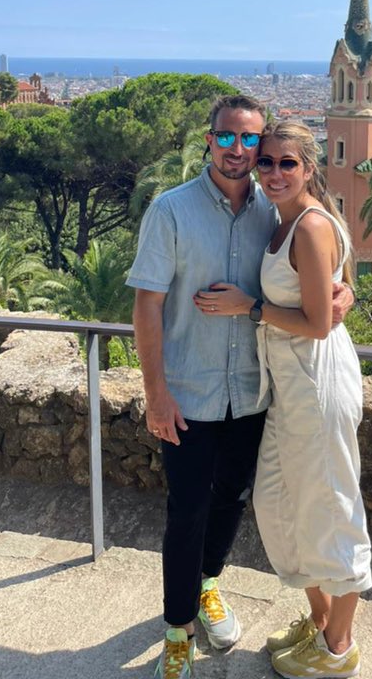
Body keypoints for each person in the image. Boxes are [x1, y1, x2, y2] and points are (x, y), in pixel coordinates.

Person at [127, 95, 353, 679]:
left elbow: (327, 258)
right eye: (227, 137)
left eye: (250, 141)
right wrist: (155, 393)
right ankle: (178, 629)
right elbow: (146, 306)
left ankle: (207, 587)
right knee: (187, 510)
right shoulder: (171, 210)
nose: (239, 150)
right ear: (210, 140)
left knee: (229, 501)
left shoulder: (275, 211)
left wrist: (344, 293)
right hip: (189, 391)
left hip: (255, 393)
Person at [195, 120, 371, 679]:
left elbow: (319, 324)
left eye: (285, 163)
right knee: (277, 504)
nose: (272, 172)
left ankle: (339, 646)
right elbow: (335, 289)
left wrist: (248, 308)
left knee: (331, 507)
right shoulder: (284, 219)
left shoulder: (309, 226)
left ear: (309, 167)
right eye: (265, 161)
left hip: (316, 383)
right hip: (288, 388)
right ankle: (319, 620)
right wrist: (343, 291)